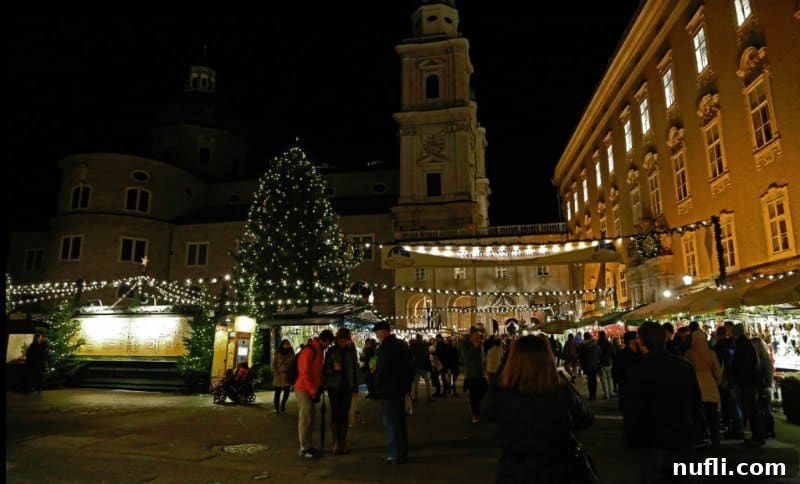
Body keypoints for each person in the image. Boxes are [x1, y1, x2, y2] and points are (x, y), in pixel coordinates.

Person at [484, 335, 595, 483]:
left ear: (513, 359)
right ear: (547, 359)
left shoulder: (501, 392)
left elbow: (487, 411)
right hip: (557, 469)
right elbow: (586, 419)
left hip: (515, 470)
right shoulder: (561, 390)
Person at [626, 322, 703, 483]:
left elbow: (633, 410)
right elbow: (696, 401)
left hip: (652, 442)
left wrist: (634, 441)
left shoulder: (638, 371)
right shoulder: (684, 365)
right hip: (683, 439)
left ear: (641, 342)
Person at [373, 321, 413, 464]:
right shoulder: (401, 345)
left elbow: (382, 370)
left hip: (388, 390)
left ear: (384, 331)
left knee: (391, 423)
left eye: (377, 332)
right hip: (400, 389)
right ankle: (402, 452)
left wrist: (376, 386)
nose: (377, 336)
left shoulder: (385, 347)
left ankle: (395, 455)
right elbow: (409, 366)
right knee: (400, 422)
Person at [295, 329, 334, 458]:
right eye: (328, 343)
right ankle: (304, 448)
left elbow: (316, 372)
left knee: (310, 418)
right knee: (305, 418)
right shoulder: (309, 351)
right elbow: (304, 374)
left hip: (311, 388)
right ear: (323, 340)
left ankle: (308, 446)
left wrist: (318, 387)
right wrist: (313, 391)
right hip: (303, 388)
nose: (328, 346)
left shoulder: (318, 351)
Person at [323, 328, 360, 455]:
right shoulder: (331, 351)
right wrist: (333, 369)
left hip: (347, 387)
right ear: (337, 339)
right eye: (341, 339)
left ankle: (342, 443)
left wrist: (355, 387)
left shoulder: (351, 351)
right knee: (335, 414)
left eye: (345, 339)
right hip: (334, 387)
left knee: (344, 415)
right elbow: (325, 369)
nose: (343, 341)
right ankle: (336, 443)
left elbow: (355, 368)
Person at [684, 329, 723, 447]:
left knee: (698, 415)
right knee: (713, 416)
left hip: (695, 386)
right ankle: (715, 439)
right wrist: (716, 383)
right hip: (710, 385)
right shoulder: (711, 353)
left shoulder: (689, 353)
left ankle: (699, 437)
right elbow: (718, 372)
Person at [731, 324, 765, 446]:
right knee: (752, 409)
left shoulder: (742, 345)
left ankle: (758, 436)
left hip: (747, 382)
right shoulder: (747, 344)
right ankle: (758, 435)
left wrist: (738, 379)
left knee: (752, 409)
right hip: (751, 381)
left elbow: (741, 365)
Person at [612, 331, 642, 446]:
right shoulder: (622, 355)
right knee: (629, 415)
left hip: (636, 390)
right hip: (627, 389)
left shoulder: (640, 353)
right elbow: (616, 373)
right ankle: (632, 439)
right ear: (633, 340)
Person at [751, 337, 776, 439]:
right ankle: (768, 431)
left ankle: (769, 431)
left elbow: (767, 374)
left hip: (763, 386)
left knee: (765, 410)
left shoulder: (763, 358)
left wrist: (767, 386)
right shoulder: (762, 357)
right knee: (764, 409)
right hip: (763, 386)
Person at [462, 328, 488, 423]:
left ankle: (477, 409)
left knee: (484, 392)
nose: (478, 337)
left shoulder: (480, 344)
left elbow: (482, 357)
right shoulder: (466, 344)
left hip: (481, 373)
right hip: (471, 374)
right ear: (471, 335)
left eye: (478, 335)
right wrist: (474, 346)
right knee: (473, 395)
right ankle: (475, 414)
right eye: (476, 335)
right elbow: (466, 356)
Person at [272, 339, 294, 414]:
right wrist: (276, 372)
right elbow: (274, 364)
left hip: (287, 375)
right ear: (282, 345)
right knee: (277, 392)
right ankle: (276, 407)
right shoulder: (278, 352)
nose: (287, 345)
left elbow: (294, 363)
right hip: (279, 375)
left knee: (287, 392)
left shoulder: (291, 353)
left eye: (288, 343)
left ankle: (283, 406)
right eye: (285, 344)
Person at [410, 334, 434, 403]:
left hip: (416, 366)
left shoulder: (413, 347)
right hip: (424, 366)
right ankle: (429, 397)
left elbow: (411, 356)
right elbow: (427, 356)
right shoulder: (425, 346)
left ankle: (415, 397)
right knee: (428, 382)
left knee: (416, 383)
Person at [578, 332, 600, 400]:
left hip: (587, 365)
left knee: (590, 380)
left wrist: (581, 365)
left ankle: (591, 395)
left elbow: (580, 356)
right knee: (594, 379)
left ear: (584, 337)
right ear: (590, 337)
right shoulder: (595, 344)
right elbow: (600, 353)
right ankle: (594, 394)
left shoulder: (581, 346)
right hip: (595, 364)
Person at [596, 331, 615, 399]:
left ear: (599, 335)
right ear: (605, 335)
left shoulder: (597, 344)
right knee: (609, 378)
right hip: (609, 363)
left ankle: (606, 394)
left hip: (601, 364)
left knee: (603, 379)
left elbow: (597, 354)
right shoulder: (609, 343)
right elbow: (613, 353)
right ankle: (611, 392)